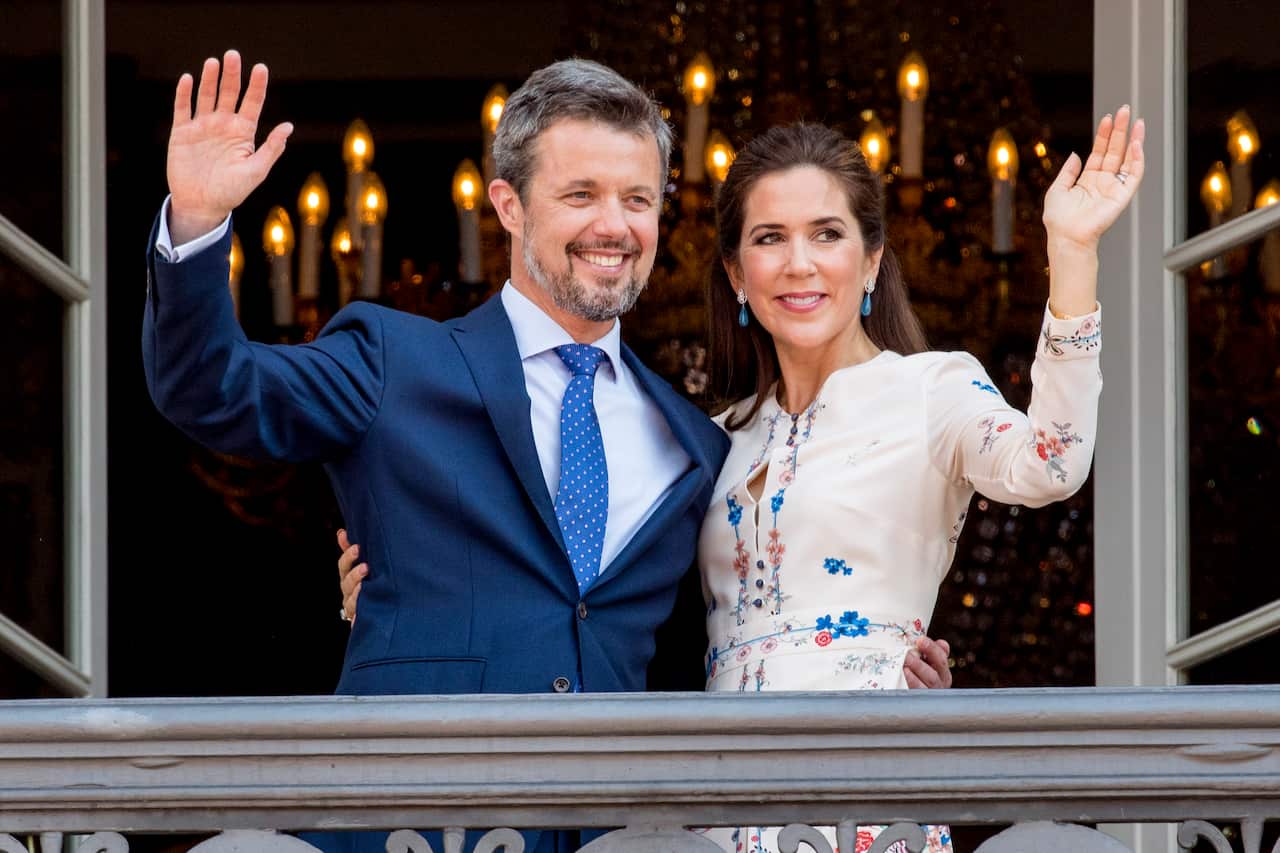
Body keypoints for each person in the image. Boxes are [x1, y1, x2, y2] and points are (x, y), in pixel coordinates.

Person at [144, 50, 955, 853]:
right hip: (410, 831)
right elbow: (211, 388)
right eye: (581, 194)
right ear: (508, 204)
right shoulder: (393, 360)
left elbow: (721, 645)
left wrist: (886, 671)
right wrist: (197, 223)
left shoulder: (697, 445)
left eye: (638, 198)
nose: (615, 225)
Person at [340, 112, 1144, 853]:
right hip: (714, 804)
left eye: (827, 234)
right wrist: (408, 585)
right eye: (770, 238)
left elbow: (1053, 461)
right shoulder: (711, 438)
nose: (799, 263)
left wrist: (1071, 257)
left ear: (870, 261)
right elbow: (587, 585)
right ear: (734, 273)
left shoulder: (932, 390)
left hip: (864, 792)